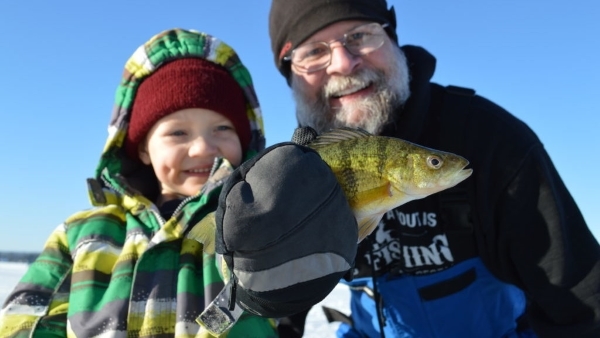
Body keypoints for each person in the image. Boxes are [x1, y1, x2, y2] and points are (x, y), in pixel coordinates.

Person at [268, 0, 600, 337]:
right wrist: (260, 279)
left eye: (359, 35)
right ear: (290, 74)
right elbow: (284, 318)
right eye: (312, 52)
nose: (343, 63)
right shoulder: (295, 173)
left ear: (392, 38)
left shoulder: (491, 140)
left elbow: (582, 303)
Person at [0, 28, 279, 337]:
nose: (202, 148)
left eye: (222, 128)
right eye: (178, 133)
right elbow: (23, 325)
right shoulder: (83, 237)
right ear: (144, 149)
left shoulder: (261, 232)